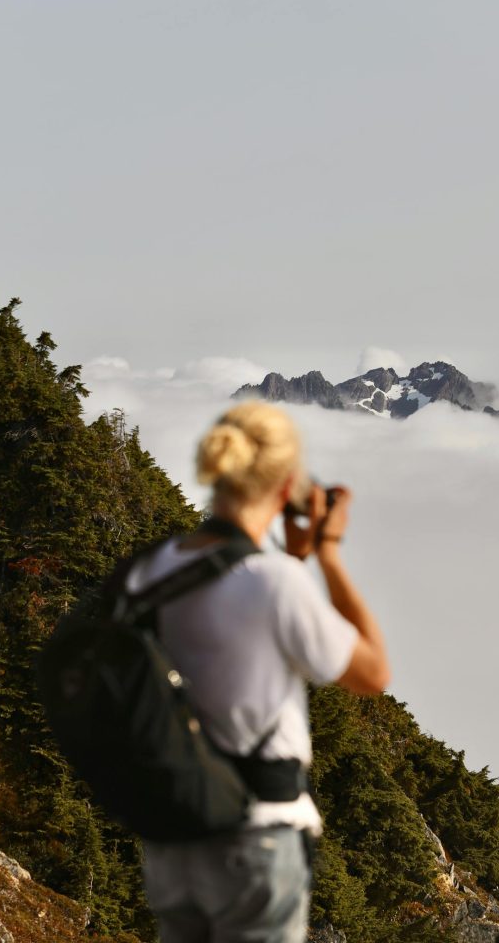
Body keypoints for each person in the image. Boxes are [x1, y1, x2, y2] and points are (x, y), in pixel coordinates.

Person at [133, 400, 390, 943]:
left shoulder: (162, 565)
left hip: (177, 834)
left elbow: (235, 637)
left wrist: (291, 561)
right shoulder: (273, 582)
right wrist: (328, 554)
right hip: (256, 837)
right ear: (285, 484)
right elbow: (372, 674)